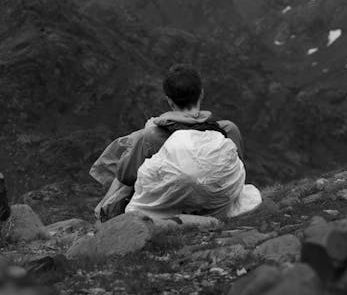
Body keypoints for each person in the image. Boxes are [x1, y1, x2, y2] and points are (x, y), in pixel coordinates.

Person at [90, 64, 260, 220]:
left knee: (137, 146)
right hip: (220, 202)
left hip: (176, 203)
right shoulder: (227, 130)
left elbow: (127, 176)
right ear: (201, 93)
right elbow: (235, 166)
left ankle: (104, 211)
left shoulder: (154, 134)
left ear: (169, 100)